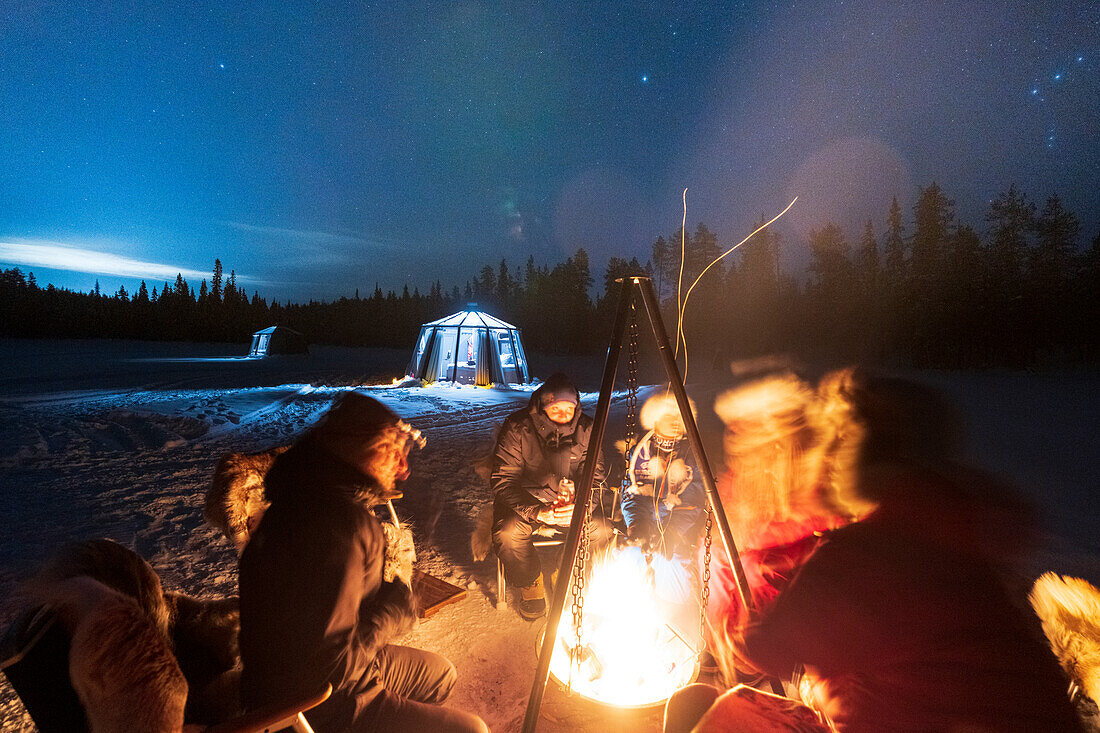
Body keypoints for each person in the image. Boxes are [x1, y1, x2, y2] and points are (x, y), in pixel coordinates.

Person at [694, 369, 1083, 732]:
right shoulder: (946, 525)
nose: (823, 456)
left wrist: (741, 613)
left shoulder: (871, 549)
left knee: (725, 714)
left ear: (869, 449)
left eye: (837, 439)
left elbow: (768, 645)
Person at [238, 392, 488, 733]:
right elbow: (334, 667)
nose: (404, 468)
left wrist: (384, 589)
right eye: (393, 451)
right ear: (357, 445)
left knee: (441, 673)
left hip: (300, 675)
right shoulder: (337, 524)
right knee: (472, 730)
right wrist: (395, 608)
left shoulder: (309, 494)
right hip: (319, 703)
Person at [491, 372, 611, 620]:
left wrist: (581, 507)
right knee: (508, 534)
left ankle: (566, 569)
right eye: (557, 408)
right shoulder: (518, 427)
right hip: (528, 502)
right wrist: (536, 511)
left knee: (600, 530)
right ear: (544, 406)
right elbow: (504, 480)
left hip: (572, 505)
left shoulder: (588, 430)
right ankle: (529, 581)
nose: (564, 414)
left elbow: (597, 478)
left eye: (570, 408)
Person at [621, 393, 705, 559]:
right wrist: (637, 525)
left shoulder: (692, 456)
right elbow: (630, 494)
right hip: (643, 524)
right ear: (656, 420)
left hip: (678, 530)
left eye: (679, 417)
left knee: (675, 564)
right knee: (629, 557)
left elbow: (692, 501)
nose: (676, 422)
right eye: (669, 416)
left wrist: (673, 532)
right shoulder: (640, 454)